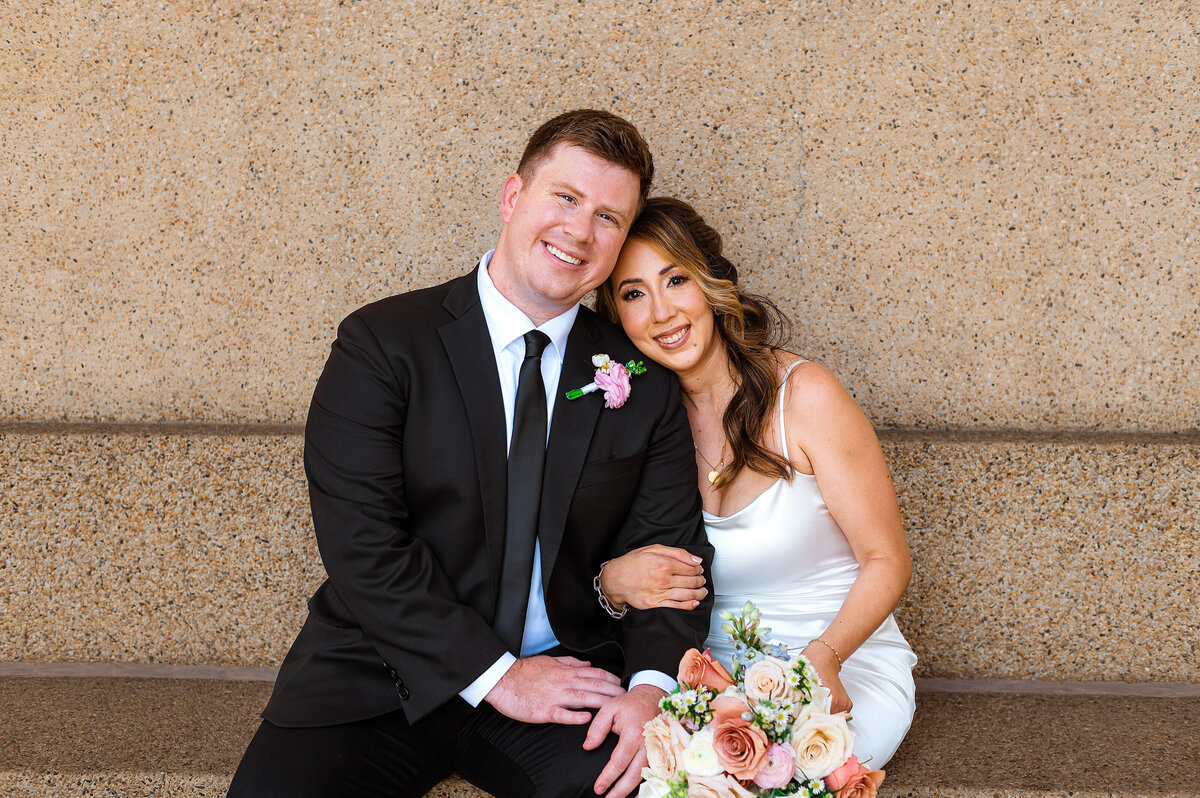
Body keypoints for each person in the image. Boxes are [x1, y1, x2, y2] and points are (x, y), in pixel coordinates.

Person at [226, 112, 714, 798]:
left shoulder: (642, 380)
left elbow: (675, 561)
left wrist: (650, 690)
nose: (580, 230)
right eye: (566, 198)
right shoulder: (382, 345)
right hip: (383, 671)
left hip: (568, 680)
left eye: (609, 217)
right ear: (514, 197)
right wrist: (499, 675)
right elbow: (364, 547)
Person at [593, 197, 917, 767]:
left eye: (676, 280)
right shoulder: (628, 424)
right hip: (701, 679)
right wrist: (609, 584)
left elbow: (887, 559)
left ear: (711, 286)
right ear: (617, 317)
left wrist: (827, 656)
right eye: (634, 293)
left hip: (838, 660)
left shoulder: (805, 395)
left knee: (779, 770)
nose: (662, 312)